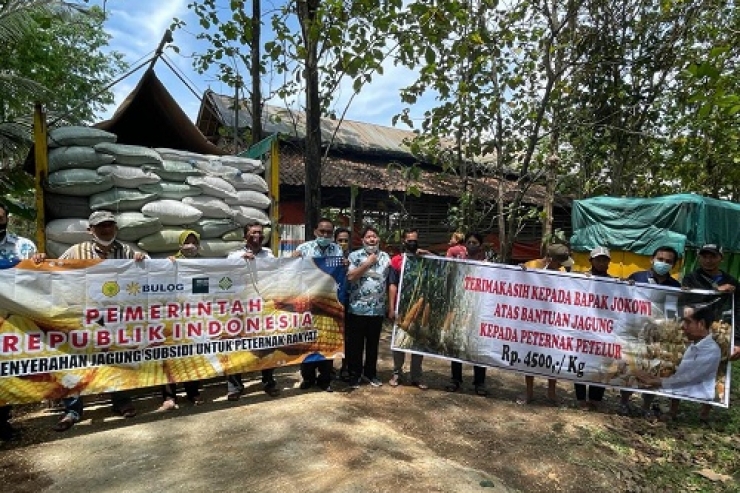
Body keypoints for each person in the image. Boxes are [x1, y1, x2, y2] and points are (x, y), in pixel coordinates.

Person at [54, 211, 147, 432]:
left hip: (115, 316)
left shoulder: (125, 251)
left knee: (118, 357)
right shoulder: (76, 251)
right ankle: (73, 410)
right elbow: (54, 273)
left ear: (116, 228)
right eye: (100, 226)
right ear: (90, 230)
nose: (106, 230)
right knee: (76, 362)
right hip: (85, 315)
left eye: (110, 225)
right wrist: (39, 262)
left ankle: (121, 402)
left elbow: (146, 272)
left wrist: (143, 260)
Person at [0, 202, 46, 441]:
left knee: (8, 365)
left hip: (15, 317)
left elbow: (35, 279)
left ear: (6, 218)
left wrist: (39, 262)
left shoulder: (23, 246)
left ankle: (3, 421)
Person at [679, 243, 739, 421]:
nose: (708, 260)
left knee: (716, 369)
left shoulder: (732, 284)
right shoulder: (690, 279)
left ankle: (705, 412)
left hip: (720, 331)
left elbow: (738, 312)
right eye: (704, 256)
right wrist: (714, 292)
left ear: (721, 258)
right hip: (694, 330)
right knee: (683, 365)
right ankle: (674, 408)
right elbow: (688, 302)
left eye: (712, 256)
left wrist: (737, 340)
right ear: (699, 257)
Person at [619, 246, 681, 417]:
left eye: (668, 261)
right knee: (631, 369)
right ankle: (624, 402)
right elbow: (621, 297)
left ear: (674, 265)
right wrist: (625, 285)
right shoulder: (637, 277)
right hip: (635, 333)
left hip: (658, 337)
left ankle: (646, 406)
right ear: (652, 259)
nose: (663, 263)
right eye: (660, 259)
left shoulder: (675, 286)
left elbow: (675, 312)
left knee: (653, 371)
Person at [634, 304, 722, 420]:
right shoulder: (693, 345)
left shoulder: (711, 350)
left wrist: (658, 381)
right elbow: (682, 374)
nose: (682, 326)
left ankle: (703, 415)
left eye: (688, 322)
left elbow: (690, 378)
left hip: (698, 391)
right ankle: (672, 411)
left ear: (701, 324)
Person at [225, 222, 280, 399]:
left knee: (267, 345)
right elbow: (226, 275)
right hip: (240, 307)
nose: (257, 235)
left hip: (263, 306)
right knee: (236, 345)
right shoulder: (234, 256)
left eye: (260, 233)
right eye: (253, 232)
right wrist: (242, 260)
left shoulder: (269, 254)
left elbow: (276, 272)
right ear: (245, 237)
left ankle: (268, 381)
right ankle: (234, 387)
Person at [293, 218, 344, 392]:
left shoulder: (337, 250)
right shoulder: (303, 249)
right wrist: (292, 260)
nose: (325, 235)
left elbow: (338, 274)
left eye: (329, 232)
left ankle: (325, 378)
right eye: (322, 231)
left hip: (328, 301)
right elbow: (290, 269)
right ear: (315, 231)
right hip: (307, 302)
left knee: (326, 340)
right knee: (307, 341)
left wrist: (344, 265)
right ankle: (307, 377)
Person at [158, 230, 205, 411]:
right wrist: (166, 266)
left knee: (192, 355)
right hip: (172, 315)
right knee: (169, 356)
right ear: (180, 244)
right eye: (187, 242)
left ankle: (193, 392)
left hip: (193, 315)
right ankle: (169, 397)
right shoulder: (170, 262)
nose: (191, 246)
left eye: (194, 242)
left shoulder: (203, 264)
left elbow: (203, 288)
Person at [517, 243, 570, 405]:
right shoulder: (532, 267)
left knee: (552, 357)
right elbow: (517, 282)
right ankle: (529, 392)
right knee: (529, 356)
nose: (562, 265)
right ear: (550, 259)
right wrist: (519, 271)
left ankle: (551, 393)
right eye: (559, 261)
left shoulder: (563, 273)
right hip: (533, 321)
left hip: (554, 321)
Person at [346, 226, 391, 388]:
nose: (372, 239)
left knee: (373, 345)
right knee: (355, 345)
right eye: (368, 237)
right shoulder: (354, 256)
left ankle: (370, 373)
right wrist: (368, 263)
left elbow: (391, 279)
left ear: (378, 240)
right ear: (363, 240)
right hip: (357, 308)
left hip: (377, 310)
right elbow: (350, 277)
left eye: (374, 237)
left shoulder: (386, 257)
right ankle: (354, 375)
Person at [446, 232, 489, 396]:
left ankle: (479, 382)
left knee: (478, 345)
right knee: (457, 342)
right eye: (469, 242)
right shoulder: (459, 262)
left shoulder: (487, 264)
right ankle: (455, 379)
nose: (471, 245)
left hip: (478, 309)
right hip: (459, 305)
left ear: (480, 245)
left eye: (475, 242)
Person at [572, 246, 611, 410]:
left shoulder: (614, 282)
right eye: (598, 259)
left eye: (605, 260)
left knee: (601, 364)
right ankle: (581, 398)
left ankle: (596, 398)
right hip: (583, 329)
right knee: (581, 362)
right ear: (591, 261)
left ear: (609, 262)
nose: (601, 263)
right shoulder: (581, 279)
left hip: (604, 331)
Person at [388, 229, 428, 389]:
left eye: (415, 240)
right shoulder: (397, 261)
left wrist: (428, 254)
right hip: (401, 306)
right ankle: (397, 373)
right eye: (410, 240)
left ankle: (416, 376)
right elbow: (392, 285)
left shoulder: (423, 260)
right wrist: (391, 308)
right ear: (404, 241)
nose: (413, 243)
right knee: (399, 341)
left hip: (420, 307)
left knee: (418, 342)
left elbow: (442, 264)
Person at [334, 227, 352, 381]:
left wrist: (349, 266)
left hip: (349, 302)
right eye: (340, 240)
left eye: (346, 240)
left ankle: (345, 367)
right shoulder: (329, 257)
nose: (343, 243)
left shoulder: (355, 257)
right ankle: (328, 369)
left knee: (348, 337)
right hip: (332, 302)